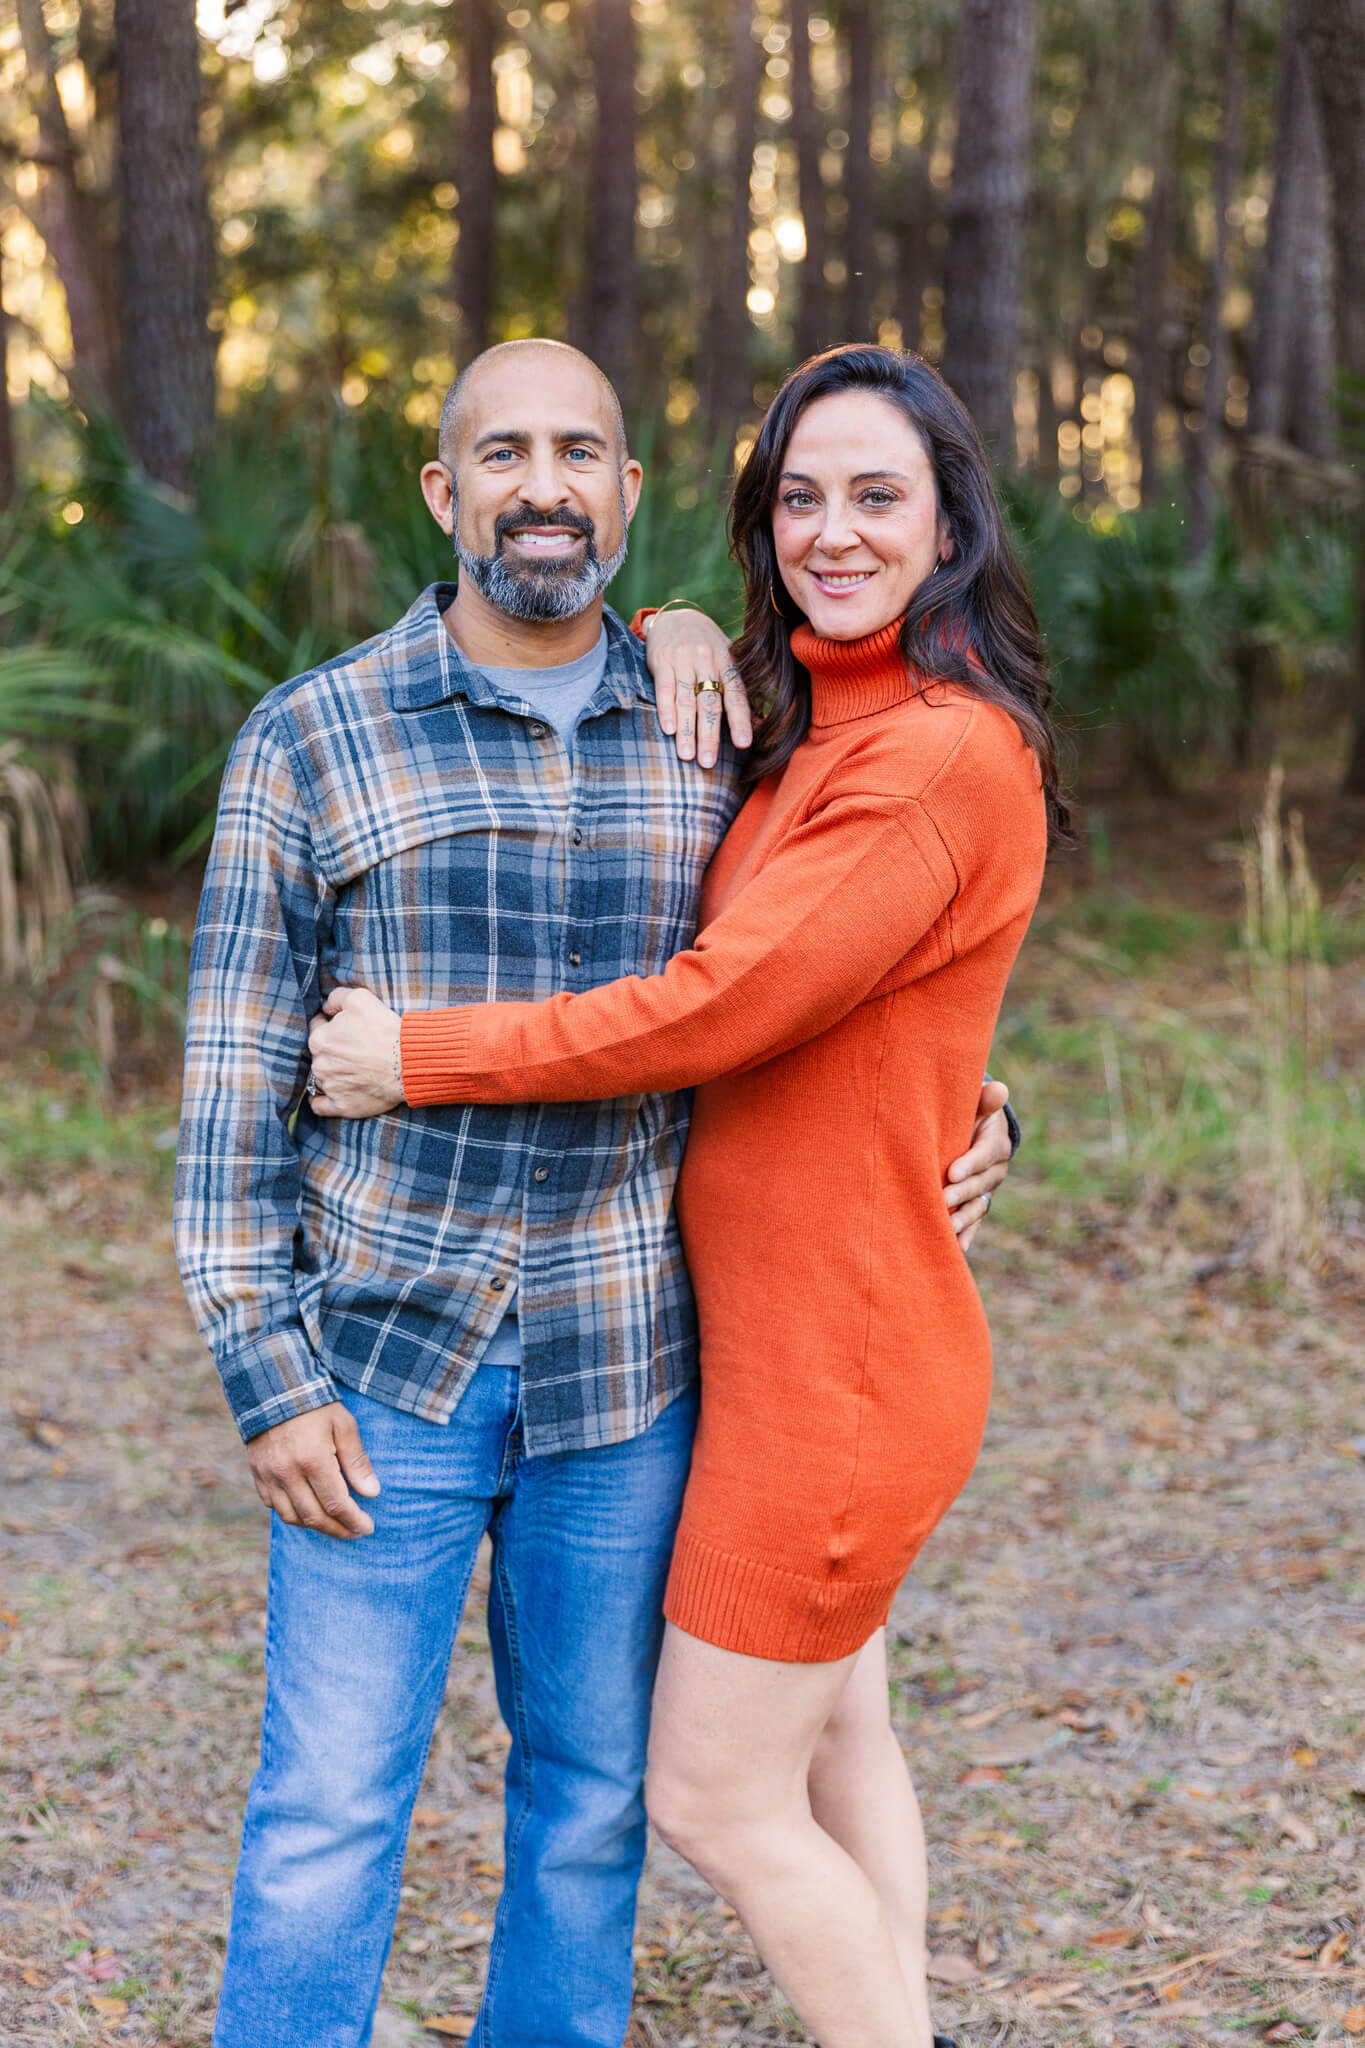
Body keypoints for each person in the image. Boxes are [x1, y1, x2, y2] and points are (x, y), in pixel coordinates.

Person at [173, 337, 1019, 2048]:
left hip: (630, 1371)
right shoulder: (317, 735)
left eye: (579, 454)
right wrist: (264, 1370)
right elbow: (227, 1085)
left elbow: (787, 983)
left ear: (628, 494)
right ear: (445, 491)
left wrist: (978, 1110)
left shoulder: (713, 726)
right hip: (384, 1368)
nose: (541, 487)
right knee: (328, 1813)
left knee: (594, 1807)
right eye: (502, 455)